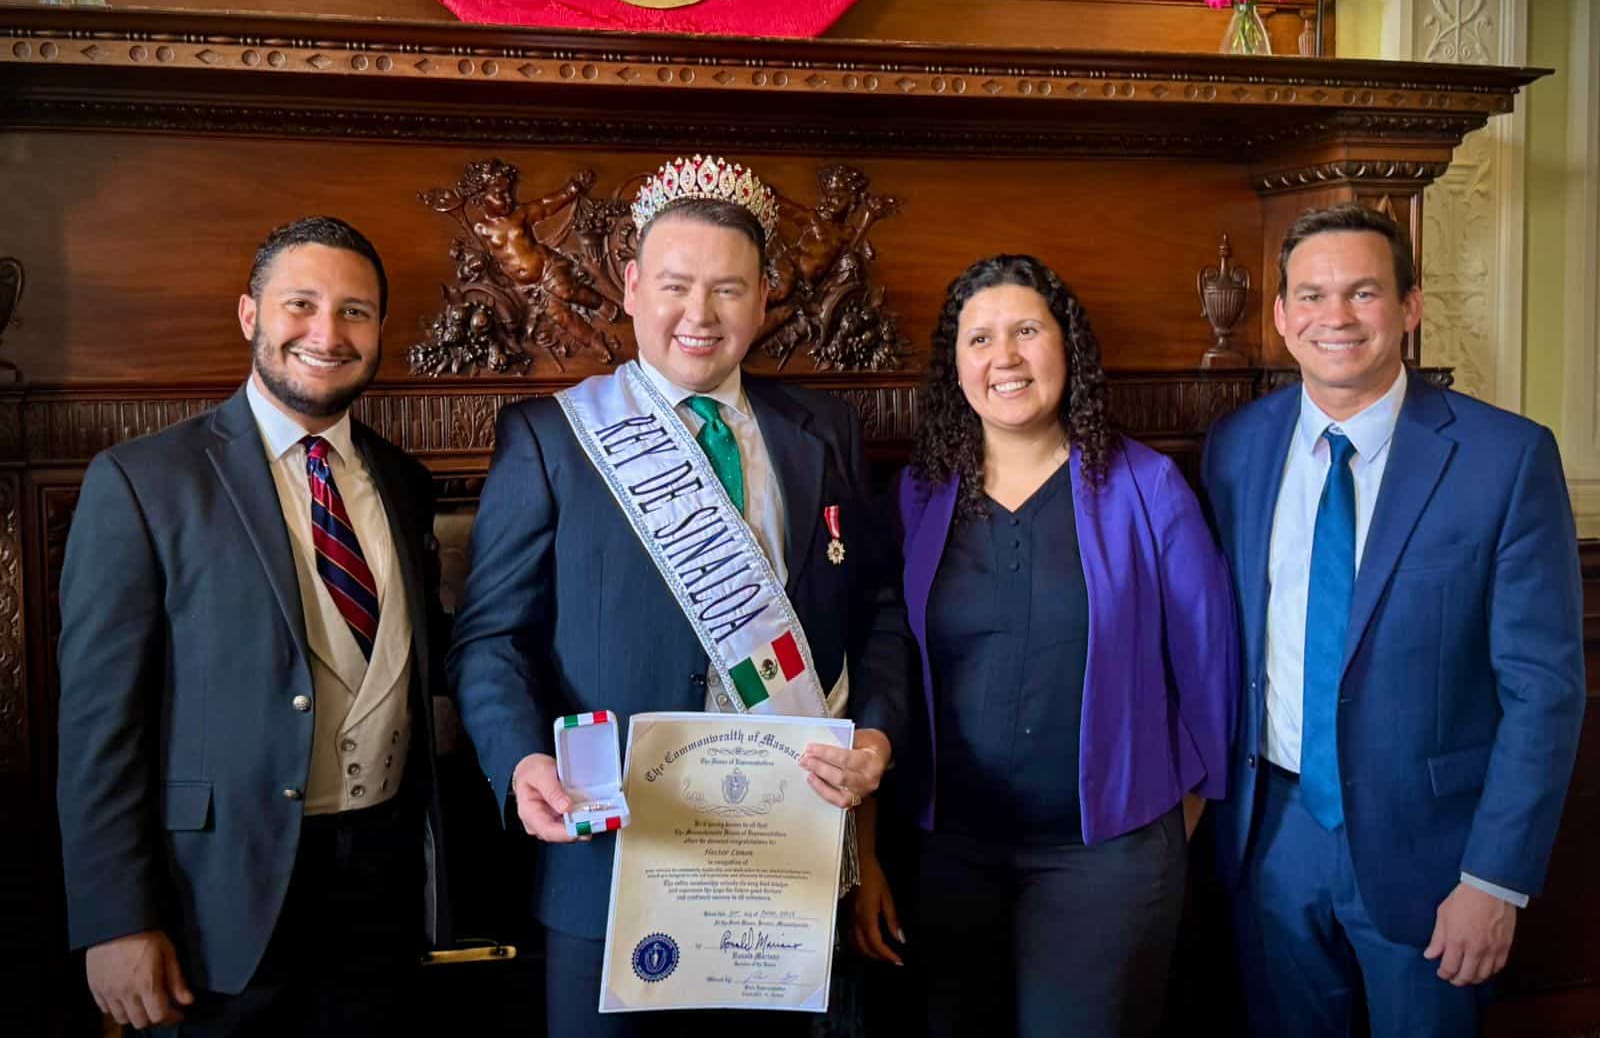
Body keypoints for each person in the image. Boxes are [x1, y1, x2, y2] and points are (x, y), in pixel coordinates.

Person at [445, 154, 910, 1036]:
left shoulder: (825, 431)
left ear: (767, 296)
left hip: (786, 863)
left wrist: (879, 732)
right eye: (675, 285)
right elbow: (489, 640)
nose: (699, 315)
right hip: (611, 865)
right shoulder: (552, 440)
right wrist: (518, 762)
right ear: (630, 286)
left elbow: (878, 611)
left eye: (729, 289)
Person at [56, 217, 449, 1035]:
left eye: (355, 312)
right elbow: (99, 724)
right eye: (300, 304)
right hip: (214, 900)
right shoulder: (143, 481)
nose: (326, 333)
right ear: (250, 315)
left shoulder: (405, 483)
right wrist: (114, 918)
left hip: (383, 892)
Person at [1200, 203, 1585, 1037]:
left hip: (1437, 856)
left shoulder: (1505, 459)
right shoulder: (1235, 449)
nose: (1334, 317)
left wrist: (1495, 879)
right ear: (1279, 315)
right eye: (1311, 295)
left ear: (1410, 307)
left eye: (1363, 292)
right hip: (1271, 834)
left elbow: (1544, 690)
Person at [851, 253, 1238, 1038]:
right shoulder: (917, 497)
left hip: (1108, 864)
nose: (1006, 358)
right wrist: (865, 852)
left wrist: (1164, 834)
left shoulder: (1148, 487)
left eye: (1028, 330)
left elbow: (1211, 675)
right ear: (955, 365)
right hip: (950, 856)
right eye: (981, 338)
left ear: (1068, 348)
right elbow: (879, 662)